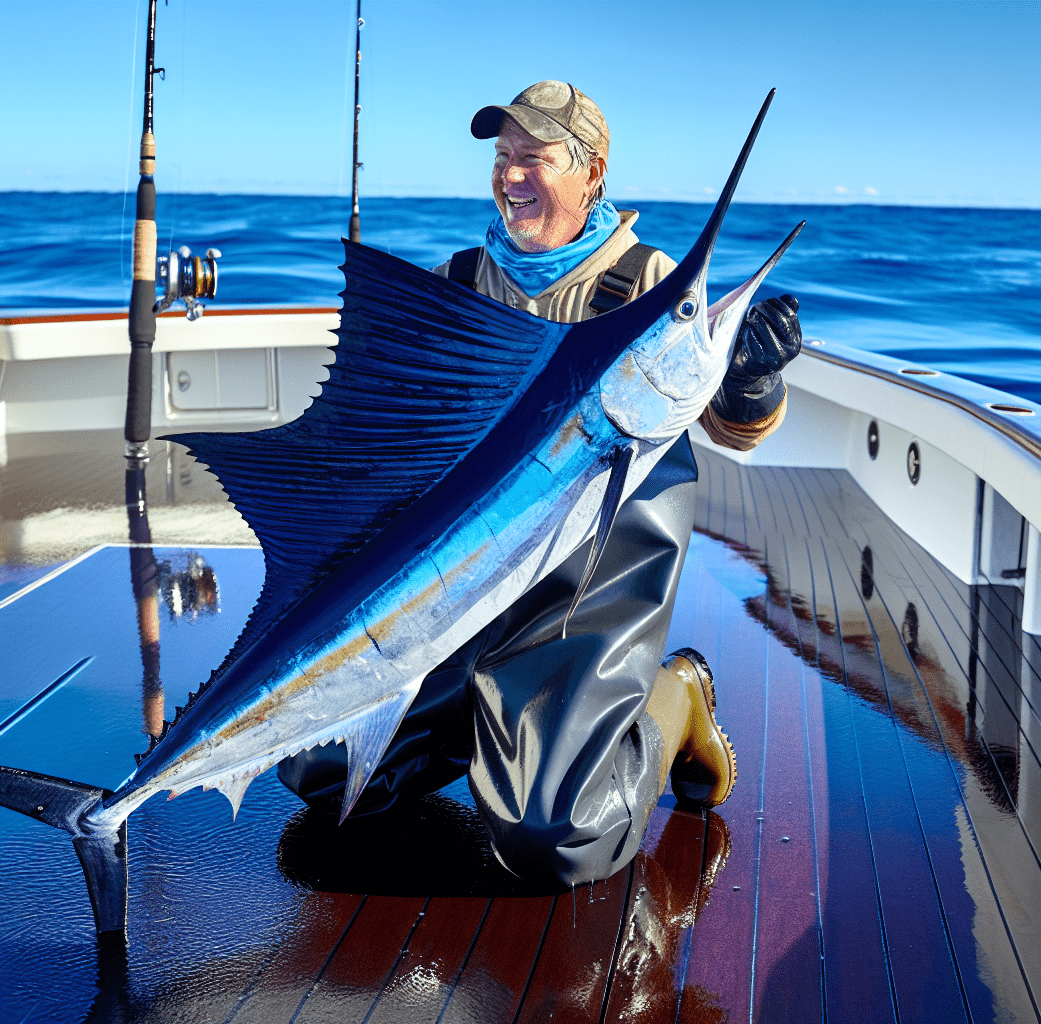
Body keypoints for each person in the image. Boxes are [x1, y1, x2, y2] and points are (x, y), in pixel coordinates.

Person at [279, 81, 804, 889]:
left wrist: (752, 382)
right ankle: (483, 721)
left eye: (535, 156)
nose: (512, 174)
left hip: (579, 601)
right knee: (319, 769)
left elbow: (734, 427)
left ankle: (674, 699)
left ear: (592, 172)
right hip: (452, 595)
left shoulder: (647, 282)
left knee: (555, 837)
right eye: (502, 156)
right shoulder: (451, 283)